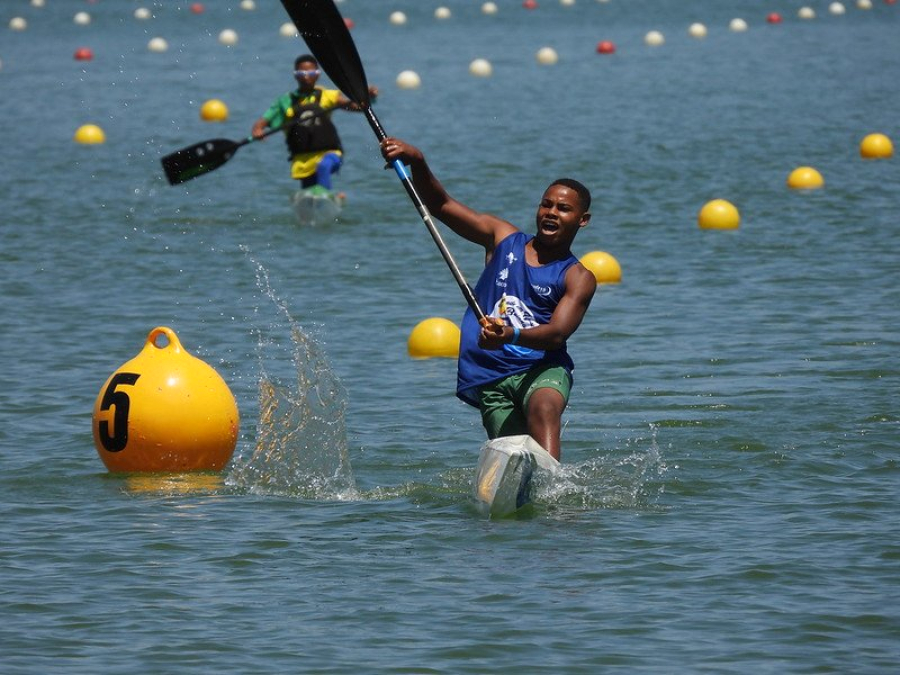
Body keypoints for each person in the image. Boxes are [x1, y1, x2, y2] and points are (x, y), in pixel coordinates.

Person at [380, 137, 596, 461]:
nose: (551, 213)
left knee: (544, 407)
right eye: (546, 204)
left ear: (582, 220)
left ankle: (554, 485)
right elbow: (441, 205)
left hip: (542, 368)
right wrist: (418, 160)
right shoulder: (502, 238)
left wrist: (512, 335)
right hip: (492, 377)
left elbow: (556, 334)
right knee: (514, 456)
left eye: (563, 208)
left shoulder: (578, 278)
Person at [251, 54, 378, 193]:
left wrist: (367, 97)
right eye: (301, 73)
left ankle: (325, 197)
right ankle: (322, 199)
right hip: (302, 161)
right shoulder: (285, 101)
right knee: (309, 193)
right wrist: (257, 130)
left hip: (330, 154)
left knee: (323, 167)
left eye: (311, 73)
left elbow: (357, 107)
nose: (306, 77)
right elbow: (262, 122)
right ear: (295, 75)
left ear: (318, 75)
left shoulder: (327, 95)